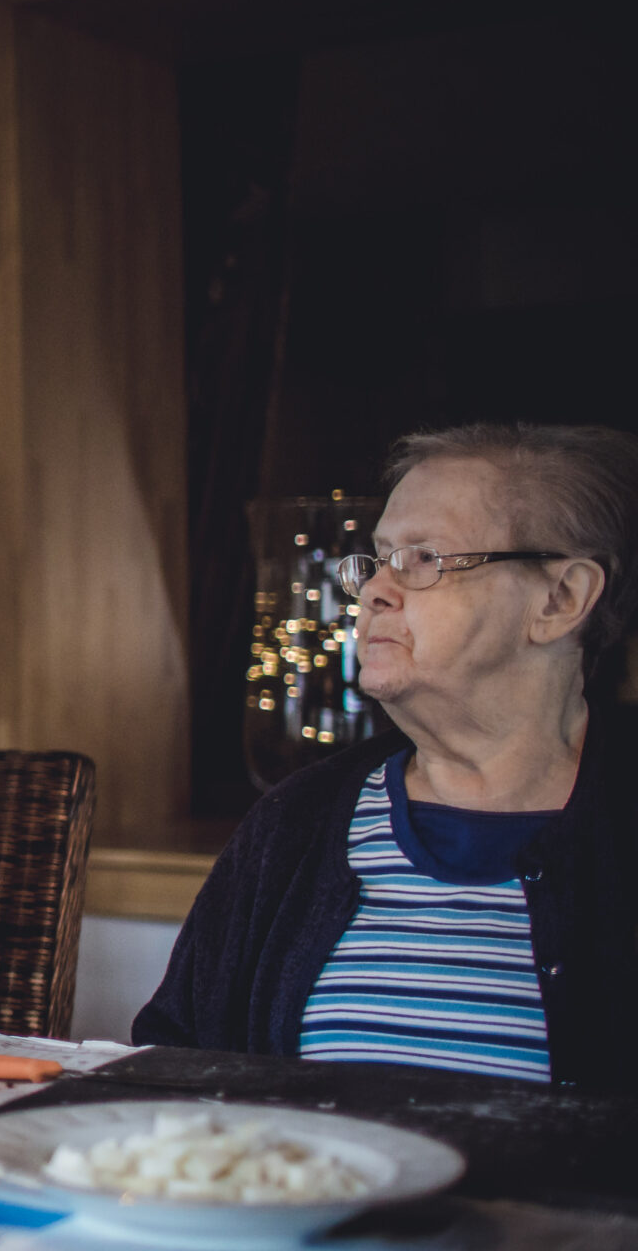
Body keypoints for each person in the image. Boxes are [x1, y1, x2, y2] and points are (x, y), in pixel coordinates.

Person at [136, 423, 638, 1092]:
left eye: (424, 558)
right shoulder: (294, 825)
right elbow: (172, 1070)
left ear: (560, 600)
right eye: (377, 559)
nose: (373, 591)